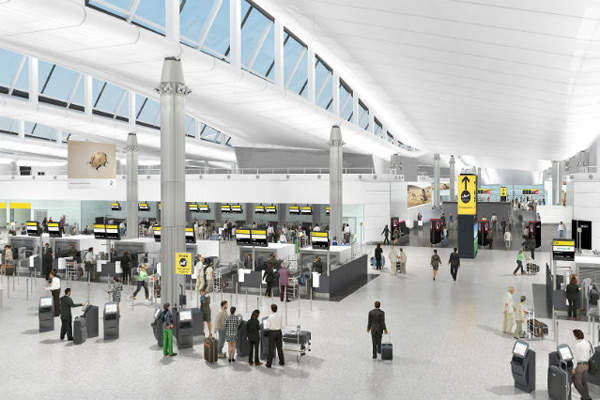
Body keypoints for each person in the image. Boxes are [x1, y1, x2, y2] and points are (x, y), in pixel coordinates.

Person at [572, 329, 594, 400]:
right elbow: (593, 352)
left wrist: (573, 368)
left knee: (577, 383)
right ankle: (584, 397)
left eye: (574, 335)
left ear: (576, 336)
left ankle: (586, 398)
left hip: (579, 366)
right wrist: (587, 358)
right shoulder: (587, 343)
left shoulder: (578, 345)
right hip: (586, 365)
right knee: (584, 382)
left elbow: (576, 357)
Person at [265, 304, 284, 368]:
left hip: (272, 333)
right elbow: (281, 325)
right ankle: (282, 361)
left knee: (271, 349)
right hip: (279, 332)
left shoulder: (270, 316)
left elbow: (267, 326)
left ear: (271, 309)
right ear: (276, 309)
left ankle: (268, 364)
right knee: (279, 348)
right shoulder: (280, 316)